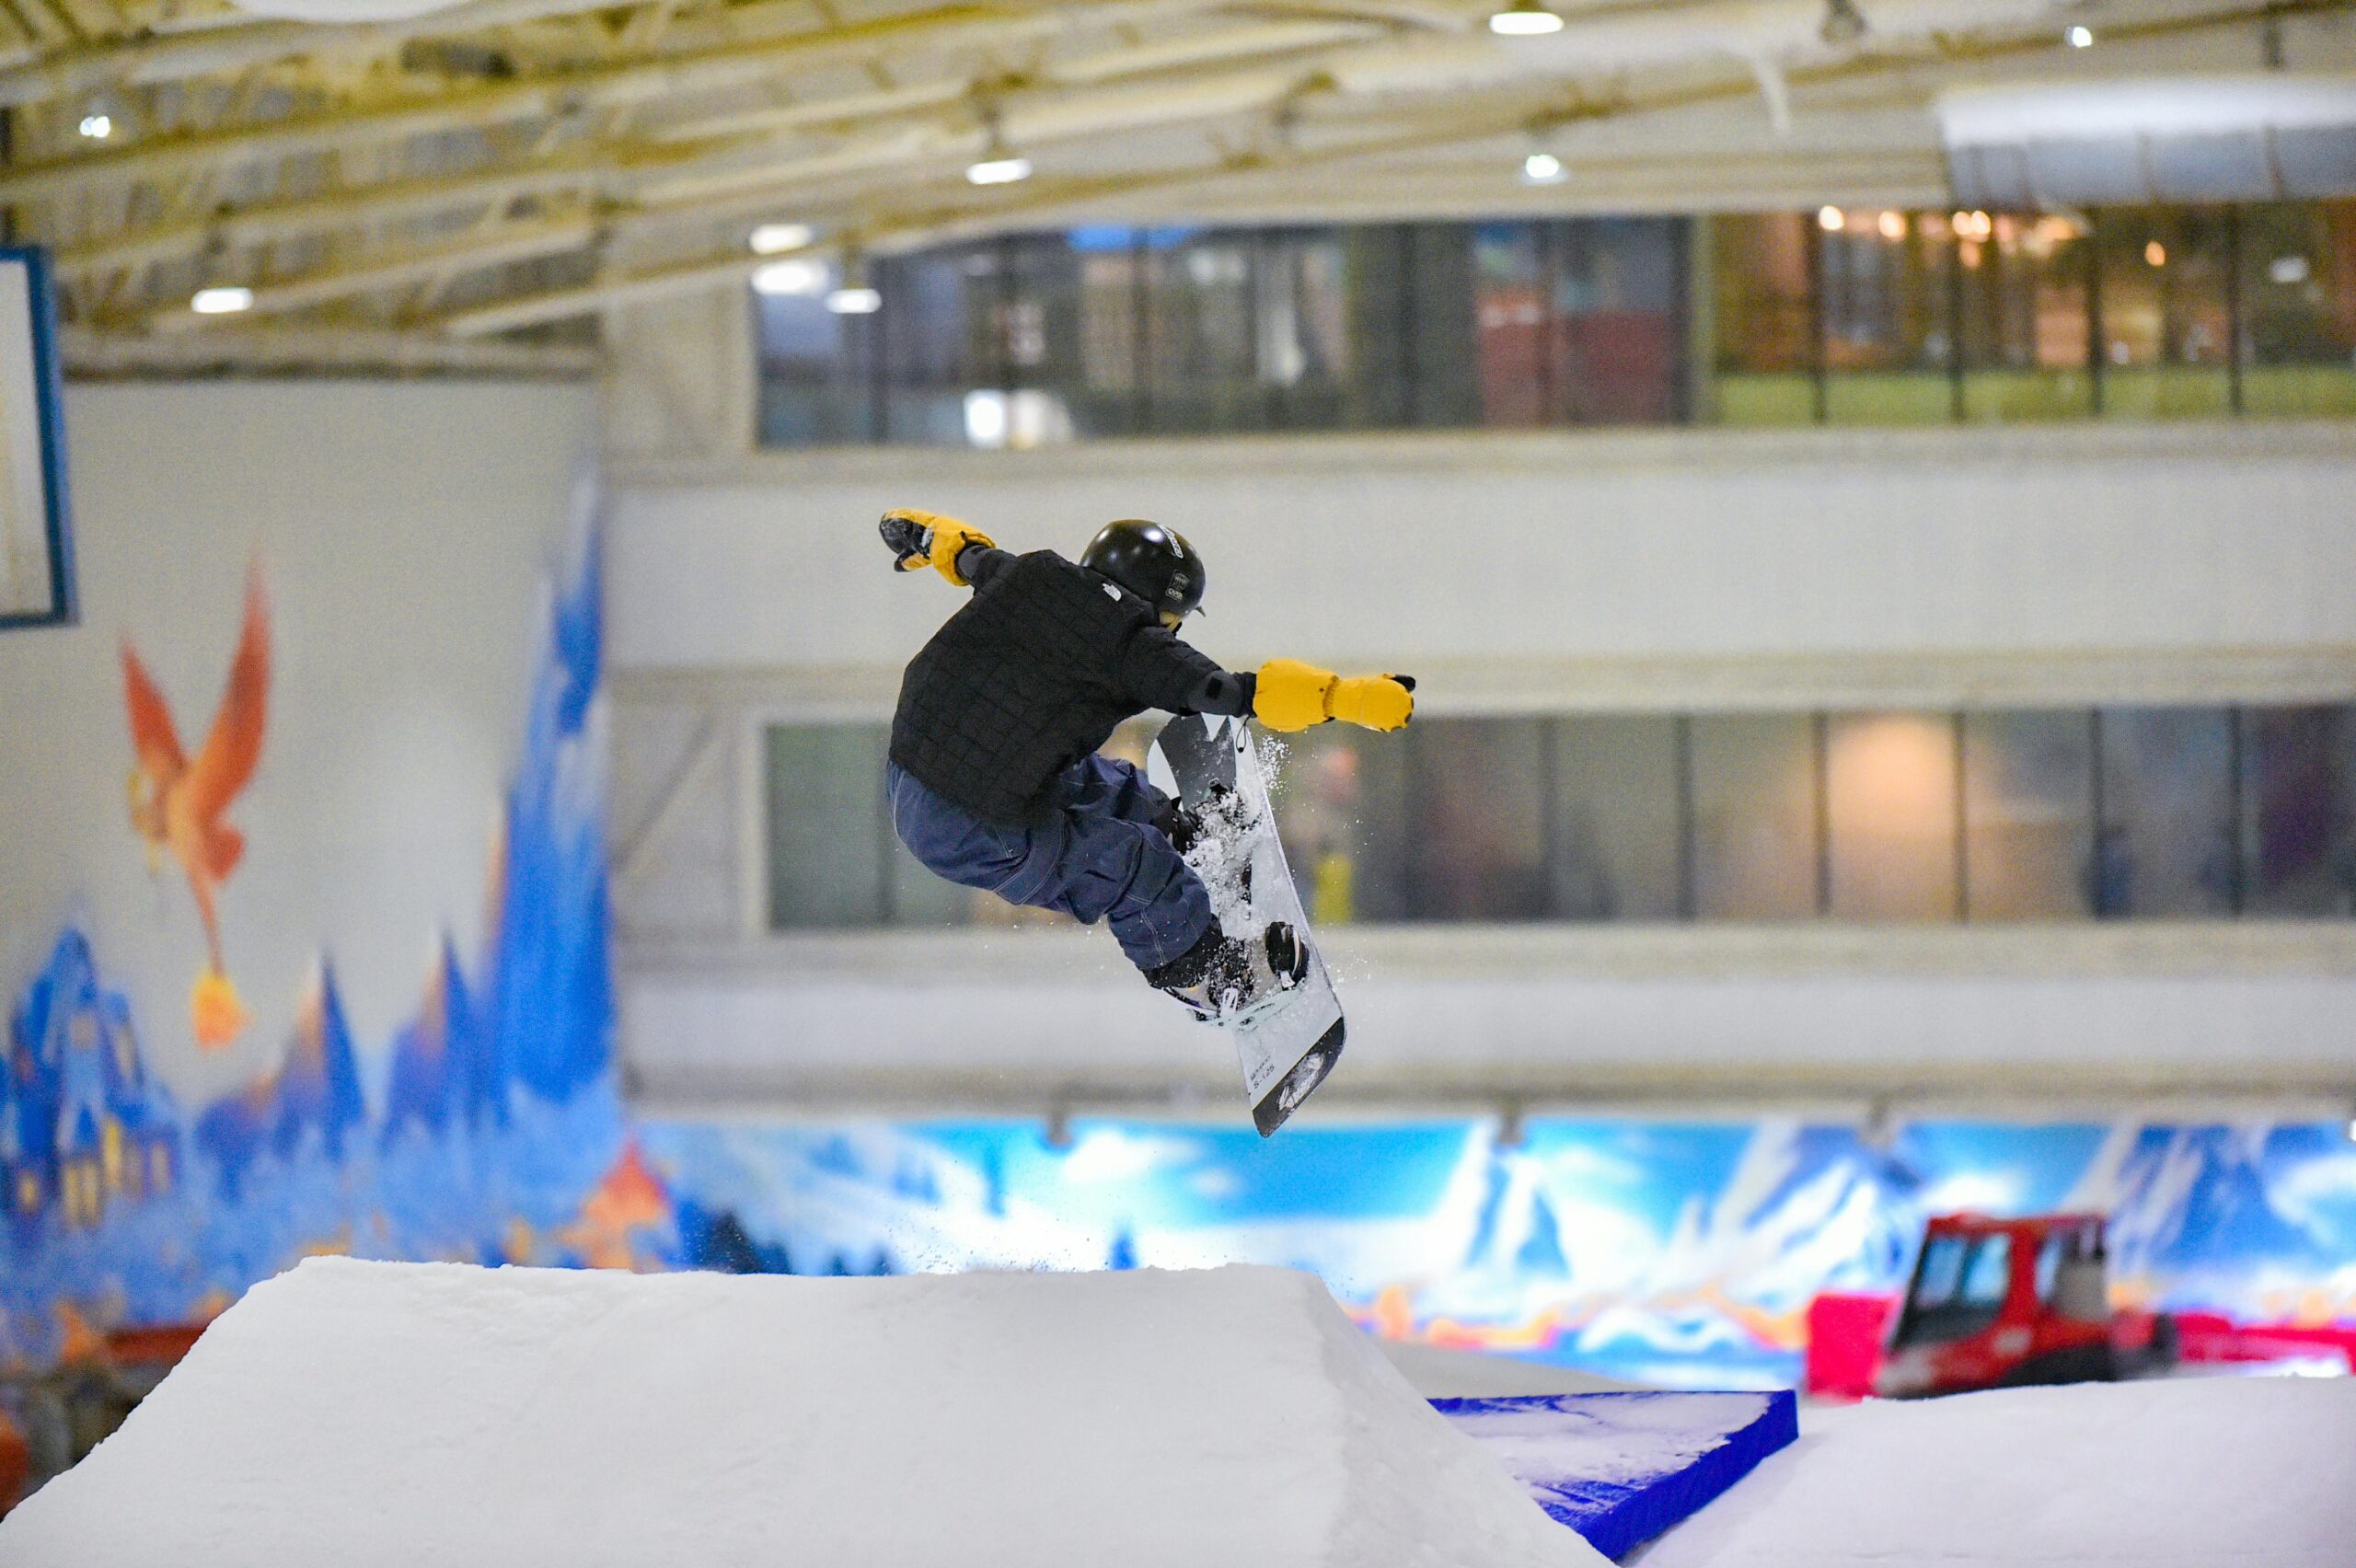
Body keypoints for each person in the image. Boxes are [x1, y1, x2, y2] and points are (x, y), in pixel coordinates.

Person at [878, 508, 1414, 1012]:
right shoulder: (1132, 641)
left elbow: (967, 554)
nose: (1172, 630)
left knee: (1100, 783)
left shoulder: (1031, 574)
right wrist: (1345, 698)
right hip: (968, 826)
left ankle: (1181, 833)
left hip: (919, 773)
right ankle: (1213, 975)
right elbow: (1233, 693)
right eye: (1174, 617)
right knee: (1130, 864)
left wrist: (926, 535)